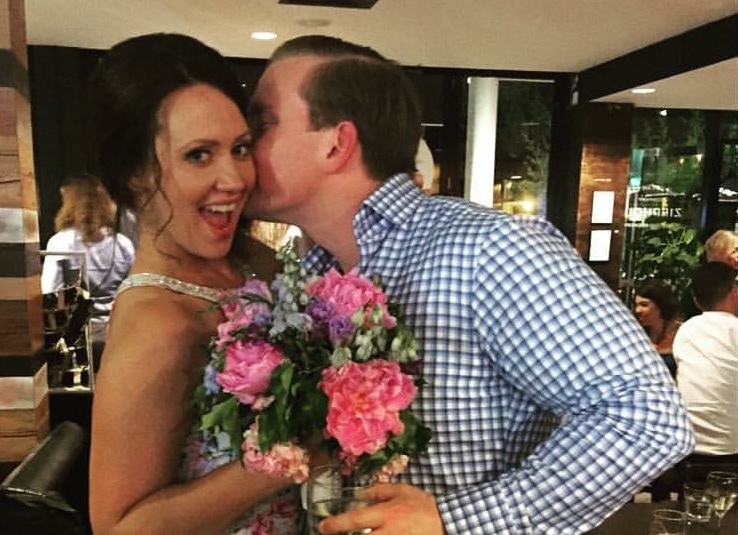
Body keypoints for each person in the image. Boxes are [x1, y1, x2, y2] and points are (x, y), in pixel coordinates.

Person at [244, 34, 695, 534]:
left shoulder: (488, 249)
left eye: (262, 123)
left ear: (336, 142)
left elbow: (646, 418)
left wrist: (452, 522)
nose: (243, 143)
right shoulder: (305, 274)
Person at [86, 33, 299, 535]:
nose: (234, 177)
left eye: (240, 147)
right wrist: (285, 454)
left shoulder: (251, 262)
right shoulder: (157, 322)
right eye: (199, 155)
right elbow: (119, 527)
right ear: (135, 173)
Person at [41, 173, 135, 360]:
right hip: (119, 337)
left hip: (76, 341)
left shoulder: (60, 242)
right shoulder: (123, 244)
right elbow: (135, 292)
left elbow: (49, 292)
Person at [673, 261, 738, 465]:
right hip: (731, 450)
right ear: (733, 292)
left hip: (686, 449)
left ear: (696, 299)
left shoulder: (686, 330)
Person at [634, 279, 682, 379]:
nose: (637, 310)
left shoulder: (682, 333)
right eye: (636, 305)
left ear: (660, 305)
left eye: (644, 305)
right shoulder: (637, 335)